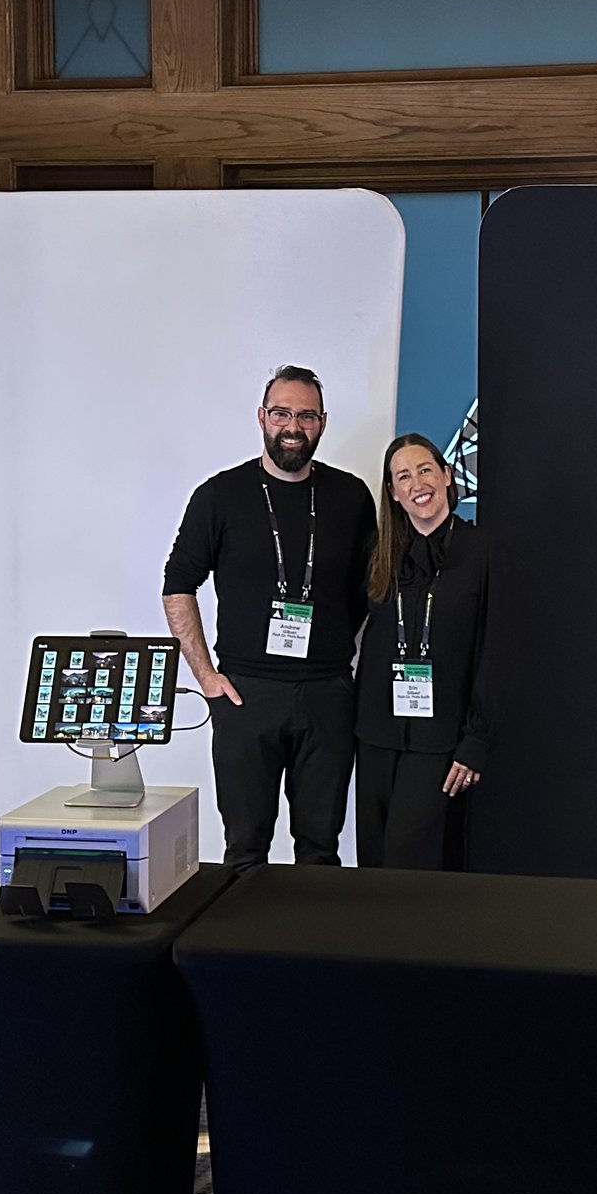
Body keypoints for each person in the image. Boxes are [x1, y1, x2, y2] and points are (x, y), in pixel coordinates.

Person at [163, 366, 376, 871]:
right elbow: (178, 586)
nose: (293, 427)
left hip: (327, 693)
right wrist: (206, 676)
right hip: (246, 693)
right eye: (282, 413)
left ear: (322, 423)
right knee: (245, 848)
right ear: (262, 417)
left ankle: (313, 927)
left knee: (320, 847)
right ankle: (241, 926)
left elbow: (368, 590)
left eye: (306, 416)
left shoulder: (351, 496)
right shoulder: (220, 495)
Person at [355, 433, 493, 870]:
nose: (417, 484)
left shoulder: (483, 552)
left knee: (408, 859)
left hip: (441, 739)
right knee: (373, 859)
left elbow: (497, 655)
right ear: (393, 493)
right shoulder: (379, 554)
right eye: (403, 476)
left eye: (425, 470)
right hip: (375, 734)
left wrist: (476, 741)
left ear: (447, 476)